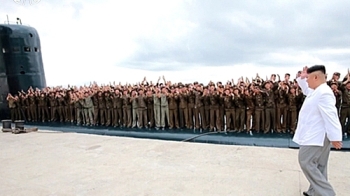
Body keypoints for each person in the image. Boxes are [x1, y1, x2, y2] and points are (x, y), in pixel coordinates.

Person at [293, 65, 342, 196]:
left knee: (305, 161)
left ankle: (327, 193)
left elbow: (331, 115)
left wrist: (335, 137)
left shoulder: (324, 92)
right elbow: (306, 90)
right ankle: (315, 192)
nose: (307, 81)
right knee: (320, 164)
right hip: (317, 135)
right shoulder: (316, 90)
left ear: (316, 77)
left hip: (317, 136)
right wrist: (302, 78)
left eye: (308, 78)